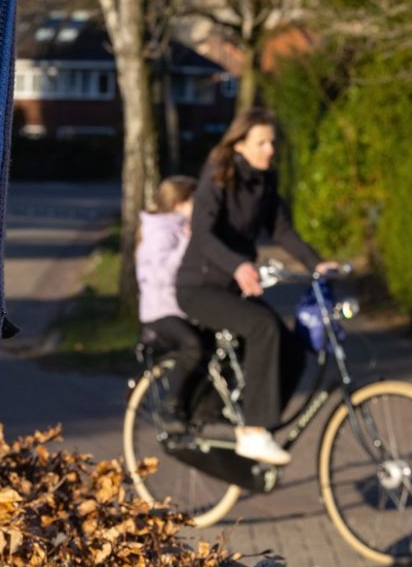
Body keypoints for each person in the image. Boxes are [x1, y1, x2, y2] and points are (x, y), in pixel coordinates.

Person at [177, 108, 338, 466]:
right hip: (198, 287)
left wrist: (317, 263)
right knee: (263, 327)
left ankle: (259, 423)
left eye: (272, 143)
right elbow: (203, 234)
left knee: (293, 350)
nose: (269, 150)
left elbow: (282, 230)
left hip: (233, 287)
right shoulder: (219, 177)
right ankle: (252, 431)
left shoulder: (264, 182)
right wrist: (238, 266)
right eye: (261, 142)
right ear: (239, 144)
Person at [135, 175, 202, 432]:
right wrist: (186, 241)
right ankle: (171, 401)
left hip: (179, 307)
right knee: (192, 346)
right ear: (178, 203)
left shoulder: (176, 228)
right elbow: (163, 276)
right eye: (193, 202)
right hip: (160, 311)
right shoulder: (161, 233)